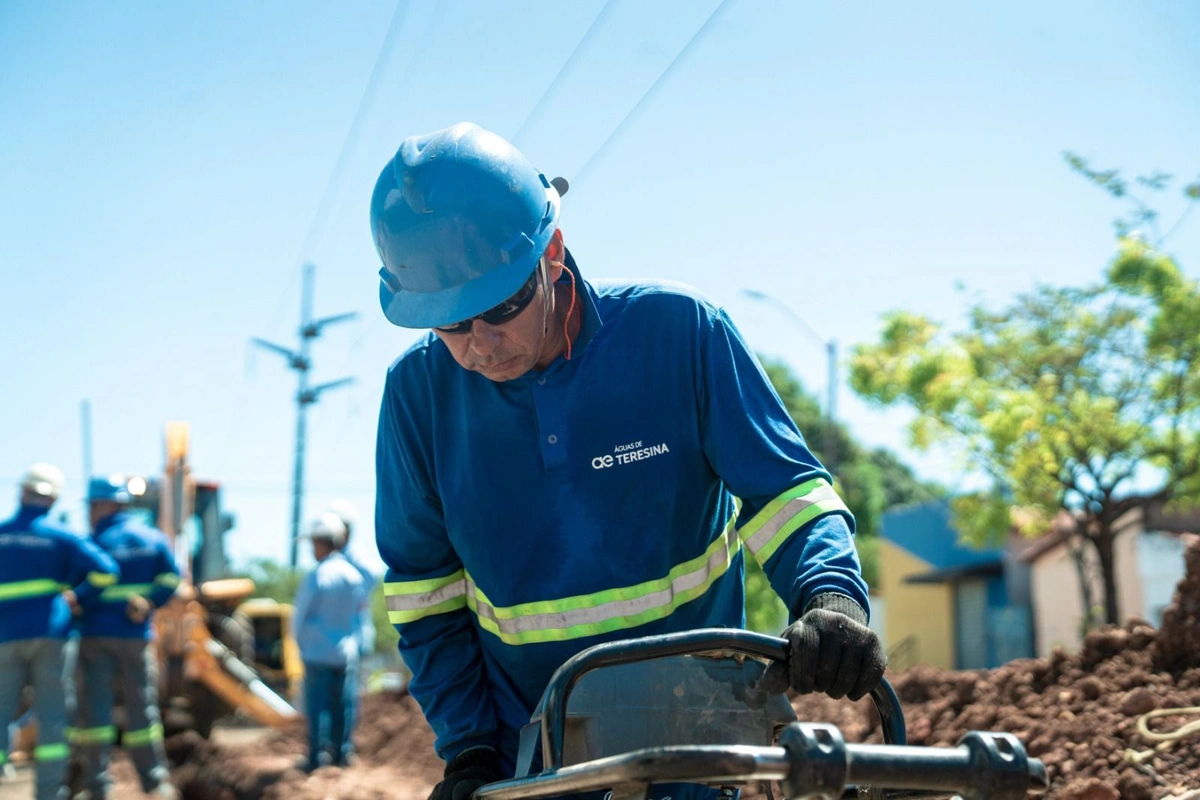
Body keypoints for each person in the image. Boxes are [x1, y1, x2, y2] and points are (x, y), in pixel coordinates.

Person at [371, 122, 887, 800]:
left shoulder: (678, 334)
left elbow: (788, 495)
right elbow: (425, 595)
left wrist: (831, 596)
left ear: (551, 253)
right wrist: (469, 749)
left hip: (699, 729)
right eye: (451, 322)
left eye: (500, 307)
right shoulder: (418, 395)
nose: (481, 344)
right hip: (533, 748)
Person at [0, 464, 119, 800]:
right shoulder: (61, 536)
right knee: (52, 714)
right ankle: (49, 793)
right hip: (51, 634)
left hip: (4, 636)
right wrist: (77, 596)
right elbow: (107, 571)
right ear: (52, 499)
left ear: (22, 492)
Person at [75, 476, 180, 800]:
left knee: (95, 714)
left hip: (94, 637)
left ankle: (97, 785)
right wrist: (150, 602)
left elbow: (79, 589)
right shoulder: (152, 539)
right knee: (142, 709)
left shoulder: (91, 543)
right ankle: (154, 781)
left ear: (104, 505)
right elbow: (171, 577)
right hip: (135, 636)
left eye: (92, 506)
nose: (90, 513)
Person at [292, 513, 367, 772]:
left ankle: (316, 758)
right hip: (345, 653)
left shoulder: (317, 576)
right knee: (343, 707)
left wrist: (301, 645)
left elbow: (299, 617)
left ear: (322, 543)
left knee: (318, 708)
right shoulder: (353, 576)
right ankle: (342, 754)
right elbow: (359, 617)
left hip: (316, 653)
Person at [327, 499, 378, 659]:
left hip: (354, 639)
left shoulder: (353, 556)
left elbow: (371, 574)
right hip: (341, 639)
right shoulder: (339, 556)